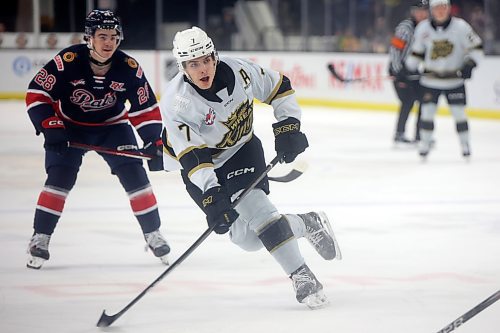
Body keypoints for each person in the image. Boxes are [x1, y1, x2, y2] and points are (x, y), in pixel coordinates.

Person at [160, 26, 342, 309]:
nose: (203, 68)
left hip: (242, 151)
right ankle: (305, 223)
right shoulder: (177, 101)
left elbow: (279, 87)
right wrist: (211, 194)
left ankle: (301, 275)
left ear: (214, 56)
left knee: (260, 212)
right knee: (247, 239)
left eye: (206, 59)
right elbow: (193, 156)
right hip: (201, 165)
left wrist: (288, 128)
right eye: (194, 64)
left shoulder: (239, 72)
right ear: (183, 67)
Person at [25, 9, 170, 269]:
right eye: (102, 36)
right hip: (69, 126)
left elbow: (144, 107)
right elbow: (37, 93)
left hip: (112, 127)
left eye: (114, 36)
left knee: (136, 177)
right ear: (89, 38)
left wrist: (153, 141)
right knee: (59, 178)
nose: (109, 42)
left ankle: (153, 234)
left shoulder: (129, 67)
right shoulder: (67, 61)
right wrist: (50, 124)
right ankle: (40, 238)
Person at [405, 0, 483, 159]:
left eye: (443, 7)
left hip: (454, 81)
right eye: (437, 8)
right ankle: (425, 144)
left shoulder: (461, 27)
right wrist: (408, 68)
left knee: (459, 115)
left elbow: (476, 48)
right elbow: (417, 52)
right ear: (432, 10)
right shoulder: (423, 28)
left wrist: (470, 64)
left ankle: (465, 144)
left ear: (448, 8)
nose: (440, 11)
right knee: (426, 114)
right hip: (430, 81)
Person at [388, 0, 429, 145]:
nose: (422, 14)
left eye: (424, 10)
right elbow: (394, 50)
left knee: (424, 101)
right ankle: (399, 134)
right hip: (400, 70)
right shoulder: (405, 28)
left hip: (414, 71)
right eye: (418, 11)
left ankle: (420, 135)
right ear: (413, 12)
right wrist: (398, 71)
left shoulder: (427, 28)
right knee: (408, 101)